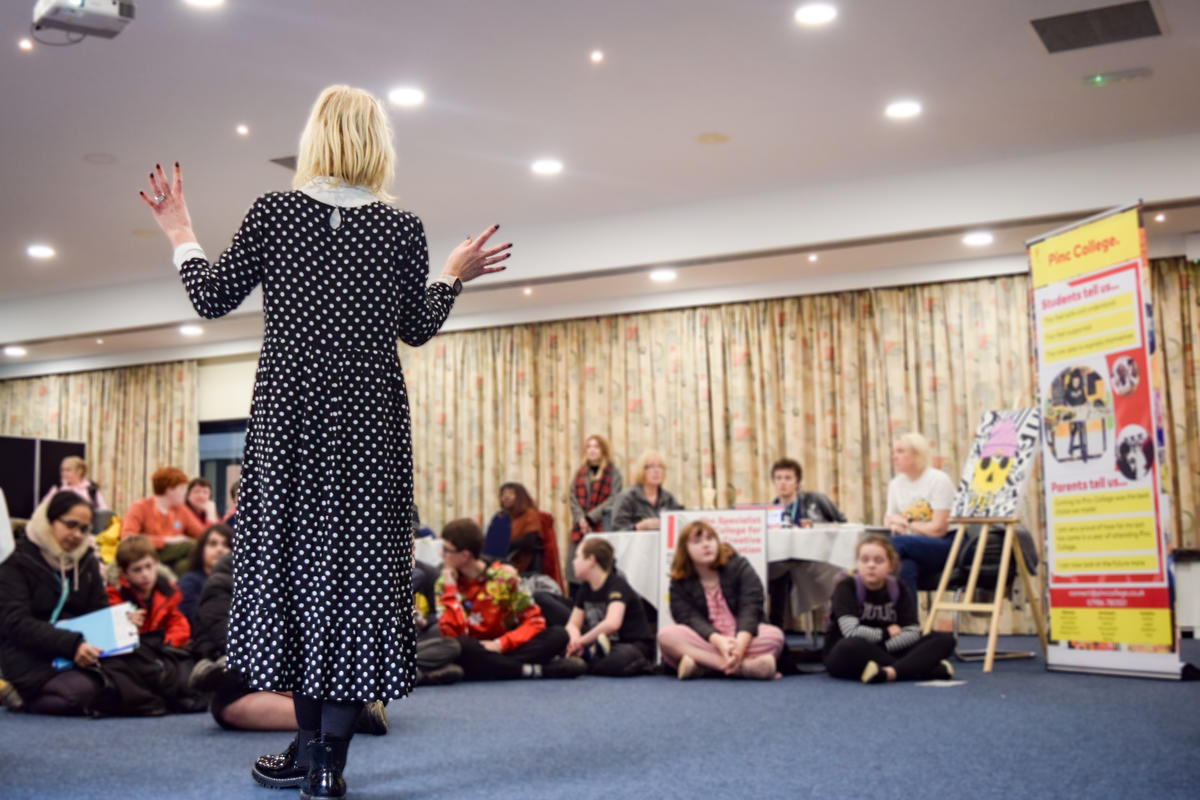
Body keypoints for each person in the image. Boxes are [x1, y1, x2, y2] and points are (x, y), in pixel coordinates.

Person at [140, 83, 509, 798]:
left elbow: (210, 298)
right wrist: (453, 277)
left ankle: (311, 753)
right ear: (378, 145)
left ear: (314, 139)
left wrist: (180, 227)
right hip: (372, 429)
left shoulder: (275, 212)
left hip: (289, 425)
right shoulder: (401, 227)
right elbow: (418, 326)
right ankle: (323, 764)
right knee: (358, 587)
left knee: (299, 581)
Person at [435, 519, 583, 681]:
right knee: (459, 646)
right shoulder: (445, 583)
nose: (441, 555)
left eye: (446, 550)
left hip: (505, 646)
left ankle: (498, 668)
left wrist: (500, 644)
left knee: (559, 635)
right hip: (474, 649)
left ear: (465, 555)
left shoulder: (504, 578)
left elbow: (535, 621)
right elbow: (451, 634)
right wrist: (450, 588)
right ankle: (537, 670)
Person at [0, 493, 107, 715]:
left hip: (78, 652)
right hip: (27, 653)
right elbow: (16, 624)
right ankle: (18, 697)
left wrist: (118, 622)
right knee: (81, 692)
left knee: (129, 676)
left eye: (84, 529)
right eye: (70, 525)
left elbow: (98, 610)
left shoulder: (86, 562)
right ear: (49, 521)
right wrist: (71, 644)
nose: (77, 535)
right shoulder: (16, 562)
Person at [657, 521, 784, 680]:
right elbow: (689, 619)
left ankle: (701, 666)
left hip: (742, 638)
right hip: (707, 639)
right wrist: (719, 642)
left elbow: (751, 607)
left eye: (710, 539)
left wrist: (739, 647)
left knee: (775, 635)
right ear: (685, 551)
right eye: (697, 542)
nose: (706, 545)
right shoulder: (679, 581)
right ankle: (743, 668)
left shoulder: (740, 566)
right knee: (666, 636)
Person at [823, 534, 956, 683]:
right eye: (864, 560)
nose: (871, 565)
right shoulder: (846, 586)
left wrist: (885, 646)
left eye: (878, 560)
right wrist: (885, 633)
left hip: (889, 649)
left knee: (945, 639)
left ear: (890, 565)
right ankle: (922, 668)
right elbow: (851, 631)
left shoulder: (898, 588)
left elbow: (912, 631)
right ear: (858, 564)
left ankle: (889, 672)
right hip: (850, 651)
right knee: (851, 645)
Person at [766, 458, 846, 628]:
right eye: (778, 478)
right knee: (773, 571)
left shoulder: (815, 500)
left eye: (788, 478)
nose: (782, 483)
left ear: (797, 482)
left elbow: (842, 524)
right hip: (784, 561)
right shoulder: (770, 510)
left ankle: (837, 625)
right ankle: (775, 630)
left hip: (816, 559)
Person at [882, 433, 957, 599]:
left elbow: (938, 530)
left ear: (917, 454)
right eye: (894, 452)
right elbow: (889, 518)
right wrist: (894, 525)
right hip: (914, 545)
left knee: (890, 545)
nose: (894, 457)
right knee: (904, 567)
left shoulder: (938, 480)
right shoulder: (895, 484)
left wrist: (907, 522)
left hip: (948, 544)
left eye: (901, 451)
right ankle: (909, 624)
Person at [565, 537, 653, 676]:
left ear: (591, 560)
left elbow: (612, 624)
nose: (573, 562)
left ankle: (587, 660)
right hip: (604, 644)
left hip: (631, 645)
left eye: (577, 557)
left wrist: (581, 642)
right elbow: (573, 623)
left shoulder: (617, 585)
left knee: (622, 657)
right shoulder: (585, 588)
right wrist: (574, 640)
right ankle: (590, 659)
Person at [121, 466, 207, 575]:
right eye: (181, 489)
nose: (185, 493)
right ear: (169, 490)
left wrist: (210, 516)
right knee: (191, 545)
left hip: (172, 557)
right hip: (145, 554)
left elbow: (203, 535)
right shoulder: (139, 507)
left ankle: (177, 590)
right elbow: (128, 538)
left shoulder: (181, 510)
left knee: (185, 565)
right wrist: (166, 540)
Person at [568, 434, 624, 545]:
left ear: (603, 450)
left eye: (596, 447)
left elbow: (613, 498)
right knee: (576, 560)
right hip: (580, 529)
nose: (592, 450)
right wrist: (581, 520)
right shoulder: (579, 473)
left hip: (603, 526)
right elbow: (572, 497)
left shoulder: (613, 473)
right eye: (589, 447)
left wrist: (590, 518)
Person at [611, 450, 683, 531]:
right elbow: (617, 529)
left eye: (660, 467)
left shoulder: (668, 498)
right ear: (641, 470)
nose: (656, 471)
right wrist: (638, 527)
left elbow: (681, 524)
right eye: (651, 466)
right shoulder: (627, 497)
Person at [177, 523, 233, 624]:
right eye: (213, 544)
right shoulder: (189, 582)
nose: (220, 549)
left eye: (226, 545)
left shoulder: (239, 583)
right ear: (201, 550)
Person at [41, 455, 108, 510]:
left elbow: (104, 510)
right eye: (62, 470)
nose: (63, 473)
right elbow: (43, 509)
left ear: (79, 471)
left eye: (68, 470)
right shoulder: (57, 489)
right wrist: (65, 488)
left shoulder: (91, 489)